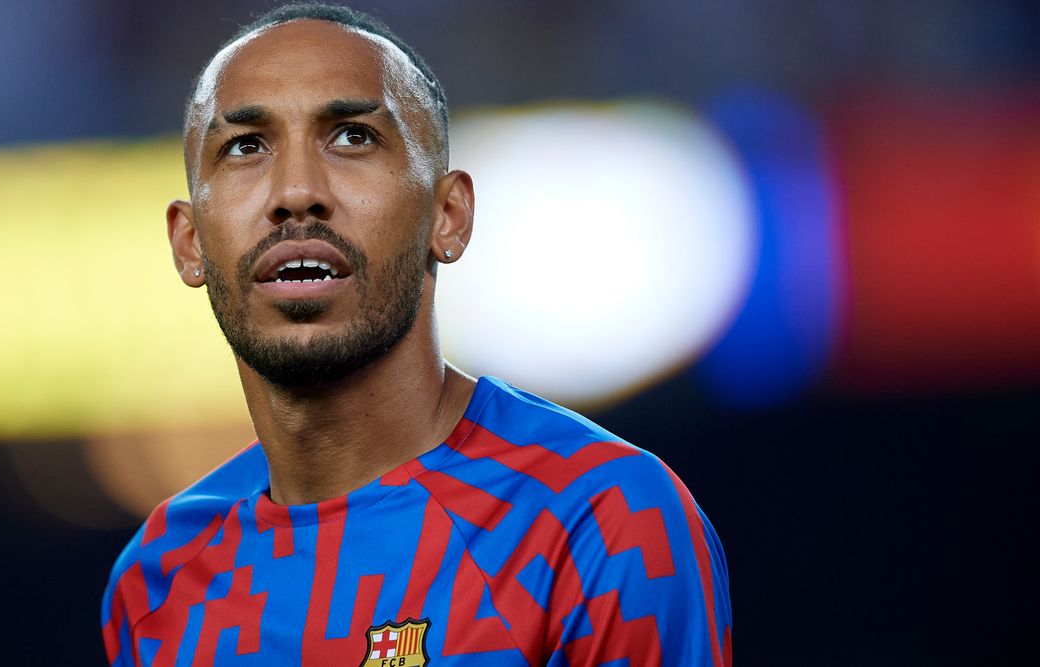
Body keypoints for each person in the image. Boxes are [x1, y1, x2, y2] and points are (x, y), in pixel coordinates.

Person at [101, 3, 732, 665]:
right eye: (246, 146)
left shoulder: (596, 519)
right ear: (189, 241)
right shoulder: (160, 574)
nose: (295, 190)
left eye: (351, 137)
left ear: (449, 215)